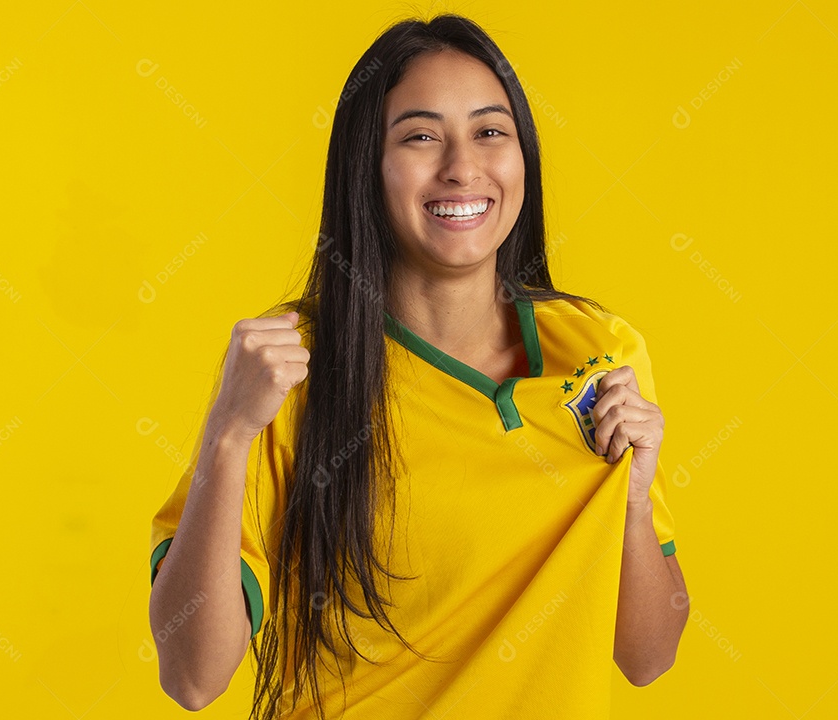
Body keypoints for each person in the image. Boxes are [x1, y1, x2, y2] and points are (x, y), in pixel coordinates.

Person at [148, 13, 689, 720]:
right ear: (365, 167)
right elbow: (193, 677)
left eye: (491, 131)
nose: (462, 167)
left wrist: (636, 500)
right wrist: (227, 434)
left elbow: (647, 657)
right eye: (421, 136)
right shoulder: (291, 371)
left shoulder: (599, 354)